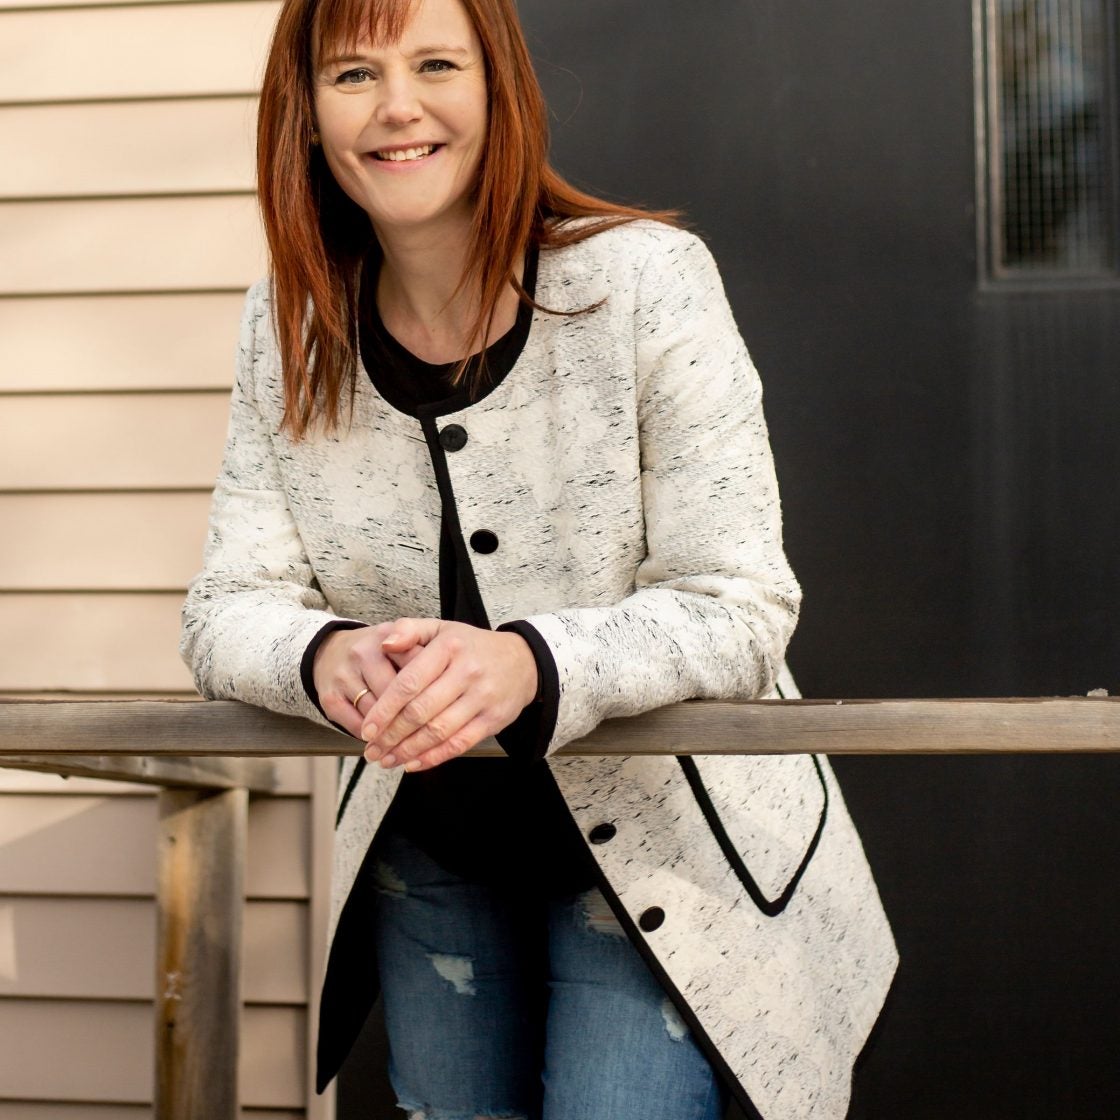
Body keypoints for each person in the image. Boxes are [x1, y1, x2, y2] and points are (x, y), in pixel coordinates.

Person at [180, 0, 897, 1117]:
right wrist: (322, 656)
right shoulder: (290, 324)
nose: (398, 106)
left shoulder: (646, 279)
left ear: (497, 86)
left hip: (660, 858)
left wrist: (532, 662)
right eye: (354, 75)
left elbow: (742, 602)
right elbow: (227, 606)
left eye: (435, 64)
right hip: (432, 859)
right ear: (306, 113)